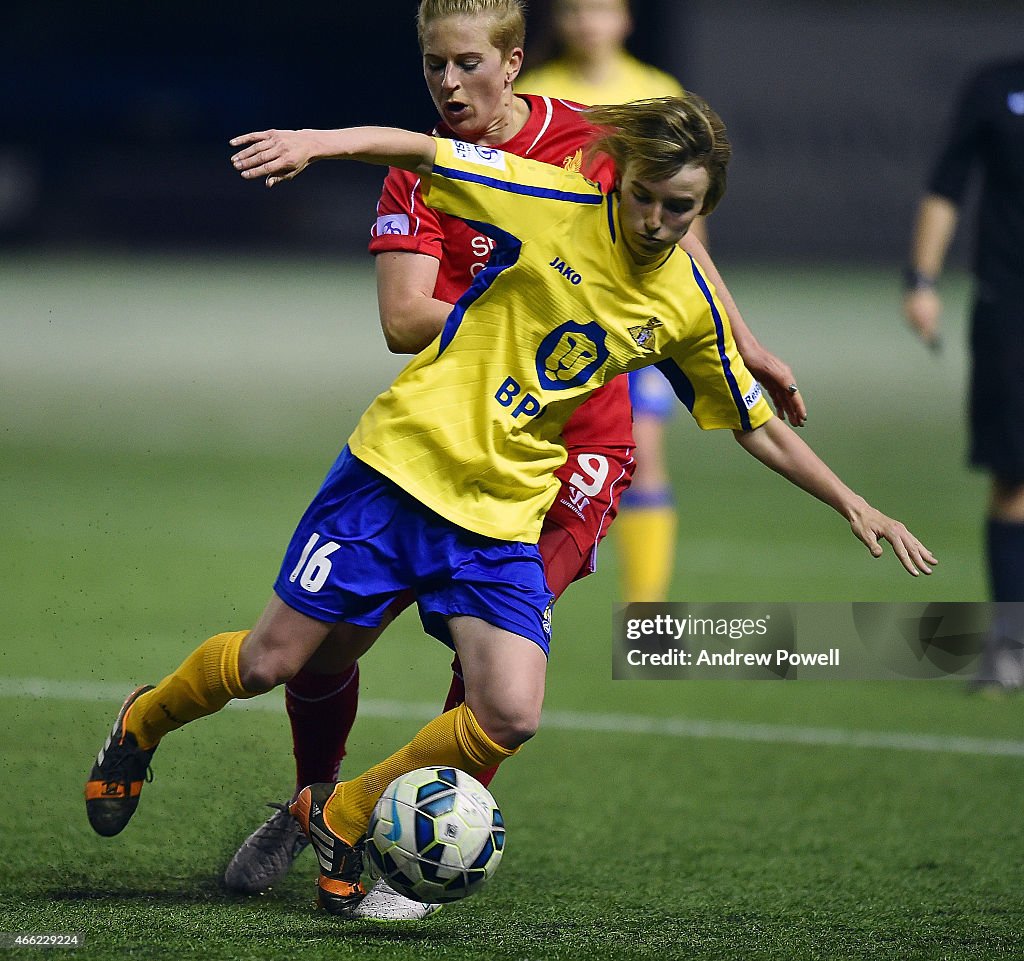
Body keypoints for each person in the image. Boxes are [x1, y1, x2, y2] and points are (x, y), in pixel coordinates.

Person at [87, 94, 935, 925]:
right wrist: (319, 140)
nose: (653, 219)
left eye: (679, 208)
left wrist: (853, 501)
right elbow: (421, 154)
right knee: (271, 661)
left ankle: (339, 813)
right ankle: (145, 717)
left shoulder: (687, 304)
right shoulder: (549, 196)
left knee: (511, 712)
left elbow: (755, 423)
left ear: (704, 208)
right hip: (396, 472)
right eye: (641, 194)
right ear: (619, 179)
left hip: (498, 511)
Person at [218, 0, 806, 919]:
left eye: (466, 64)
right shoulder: (418, 171)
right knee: (325, 642)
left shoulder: (586, 140)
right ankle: (314, 802)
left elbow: (675, 237)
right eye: (433, 67)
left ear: (511, 62)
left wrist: (739, 336)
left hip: (583, 442)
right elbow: (403, 319)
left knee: (491, 660)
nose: (450, 85)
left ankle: (408, 854)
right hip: (468, 421)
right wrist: (522, 326)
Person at [518, 0, 741, 602]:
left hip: (634, 302)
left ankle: (647, 614)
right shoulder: (535, 91)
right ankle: (505, 603)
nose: (589, 23)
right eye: (577, 11)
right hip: (553, 299)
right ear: (560, 21)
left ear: (625, 19)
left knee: (643, 451)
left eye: (602, 10)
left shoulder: (656, 92)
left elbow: (688, 215)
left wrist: (704, 301)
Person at [902, 55, 1024, 692]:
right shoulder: (996, 86)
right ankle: (1011, 646)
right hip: (1011, 307)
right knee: (1015, 473)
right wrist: (922, 280)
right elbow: (949, 182)